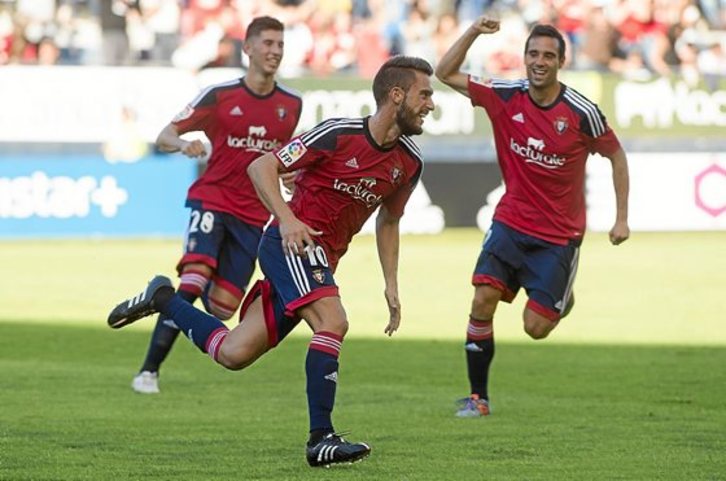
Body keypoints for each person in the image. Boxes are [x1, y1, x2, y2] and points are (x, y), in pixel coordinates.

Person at [108, 55, 435, 466]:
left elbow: (389, 220)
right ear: (397, 95)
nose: (431, 104)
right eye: (425, 94)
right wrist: (288, 219)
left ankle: (164, 300)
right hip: (290, 246)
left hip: (320, 260)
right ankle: (321, 438)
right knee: (333, 321)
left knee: (234, 353)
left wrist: (391, 283)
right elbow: (262, 165)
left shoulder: (409, 162)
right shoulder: (337, 133)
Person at [435, 18, 630, 417]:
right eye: (533, 54)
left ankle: (561, 298)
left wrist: (621, 218)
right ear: (524, 58)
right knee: (482, 299)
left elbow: (616, 155)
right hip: (510, 223)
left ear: (561, 62)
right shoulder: (505, 95)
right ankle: (478, 399)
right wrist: (473, 32)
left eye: (548, 56)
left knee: (535, 328)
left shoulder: (582, 113)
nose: (540, 61)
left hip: (558, 236)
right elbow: (444, 73)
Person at [130, 16, 303, 394]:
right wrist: (183, 144)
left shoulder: (292, 104)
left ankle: (168, 298)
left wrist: (290, 176)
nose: (275, 51)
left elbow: (281, 158)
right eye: (268, 43)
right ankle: (148, 372)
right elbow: (165, 135)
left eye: (280, 44)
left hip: (253, 214)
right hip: (213, 199)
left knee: (223, 307)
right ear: (248, 48)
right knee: (192, 280)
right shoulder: (219, 95)